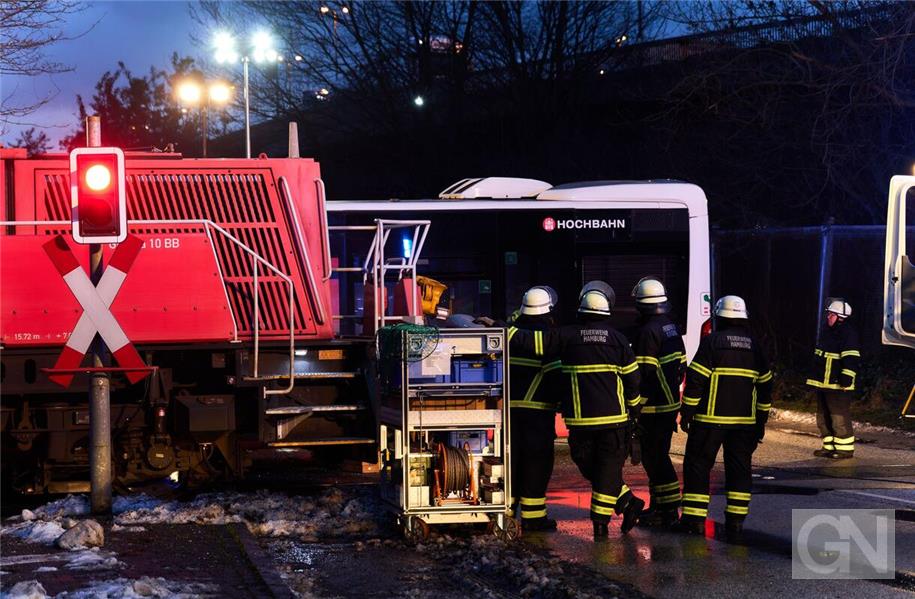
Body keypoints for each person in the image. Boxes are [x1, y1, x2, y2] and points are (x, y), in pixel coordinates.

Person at [509, 281, 644, 538]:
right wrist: (635, 408)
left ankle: (607, 519)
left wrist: (503, 330)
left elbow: (533, 345)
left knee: (590, 465)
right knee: (602, 467)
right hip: (610, 421)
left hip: (571, 420)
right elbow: (633, 379)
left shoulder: (564, 337)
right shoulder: (618, 340)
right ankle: (623, 504)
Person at [678, 295, 773, 543]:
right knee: (739, 470)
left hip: (710, 420)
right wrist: (760, 421)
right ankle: (736, 522)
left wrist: (687, 412)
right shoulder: (755, 345)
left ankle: (694, 521)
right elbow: (765, 386)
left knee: (698, 467)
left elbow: (696, 379)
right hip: (744, 423)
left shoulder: (712, 342)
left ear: (720, 316)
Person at [628, 277, 686, 527]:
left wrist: (635, 405)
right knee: (657, 456)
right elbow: (682, 364)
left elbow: (643, 373)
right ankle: (661, 508)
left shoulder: (646, 332)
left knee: (656, 459)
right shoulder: (670, 326)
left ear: (641, 305)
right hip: (669, 403)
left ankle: (668, 510)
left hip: (653, 407)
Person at [506, 286, 562, 531]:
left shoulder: (511, 333)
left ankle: (506, 512)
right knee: (536, 464)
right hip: (537, 411)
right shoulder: (548, 337)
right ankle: (534, 518)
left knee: (511, 461)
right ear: (548, 310)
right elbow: (554, 377)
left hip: (507, 410)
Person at [805, 299, 860, 459]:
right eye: (828, 313)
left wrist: (846, 379)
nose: (828, 317)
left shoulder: (848, 334)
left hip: (838, 385)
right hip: (824, 383)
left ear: (841, 317)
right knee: (823, 416)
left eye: (831, 314)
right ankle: (828, 446)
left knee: (838, 417)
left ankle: (844, 449)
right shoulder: (827, 332)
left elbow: (851, 358)